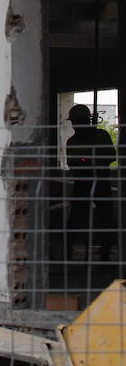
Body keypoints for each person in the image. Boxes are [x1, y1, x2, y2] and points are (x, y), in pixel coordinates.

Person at [66, 103, 117, 262]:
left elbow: (111, 157)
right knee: (76, 216)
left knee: (106, 215)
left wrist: (92, 159)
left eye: (77, 121)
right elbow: (72, 163)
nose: (75, 125)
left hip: (101, 180)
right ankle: (68, 249)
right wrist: (87, 161)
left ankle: (106, 250)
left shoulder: (101, 136)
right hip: (82, 182)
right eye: (73, 122)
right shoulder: (72, 141)